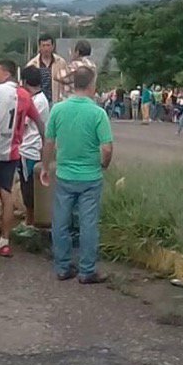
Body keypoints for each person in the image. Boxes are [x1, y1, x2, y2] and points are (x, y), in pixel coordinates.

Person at [41, 66, 113, 284]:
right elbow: (107, 148)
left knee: (60, 221)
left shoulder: (58, 110)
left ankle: (62, 267)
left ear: (74, 84)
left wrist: (45, 167)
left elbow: (49, 142)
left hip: (65, 174)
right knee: (88, 223)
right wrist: (104, 164)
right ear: (92, 85)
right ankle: (87, 270)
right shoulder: (98, 113)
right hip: (90, 176)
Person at [0, 59, 43, 257]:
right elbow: (39, 122)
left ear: (6, 73)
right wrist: (47, 147)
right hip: (12, 152)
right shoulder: (25, 95)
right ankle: (4, 240)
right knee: (7, 196)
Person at [18, 66, 51, 225]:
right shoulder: (41, 99)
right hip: (34, 147)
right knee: (30, 186)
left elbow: (22, 124)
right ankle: (31, 218)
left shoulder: (35, 101)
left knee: (28, 187)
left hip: (29, 148)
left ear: (25, 82)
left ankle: (30, 220)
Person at [25, 35, 67, 105]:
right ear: (39, 47)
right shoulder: (32, 64)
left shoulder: (61, 63)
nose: (46, 48)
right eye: (43, 45)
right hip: (38, 101)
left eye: (48, 45)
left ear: (53, 46)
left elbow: (65, 82)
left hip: (55, 101)